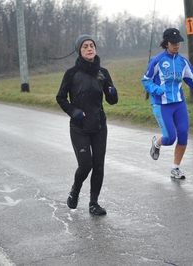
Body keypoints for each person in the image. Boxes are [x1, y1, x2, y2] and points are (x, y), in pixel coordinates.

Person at [56, 34, 118, 215]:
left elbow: (112, 100)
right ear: (79, 51)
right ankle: (75, 191)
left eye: (92, 45)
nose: (90, 48)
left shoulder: (103, 73)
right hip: (79, 127)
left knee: (99, 165)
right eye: (85, 46)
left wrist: (112, 92)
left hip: (99, 125)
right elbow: (60, 98)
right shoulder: (72, 73)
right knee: (86, 165)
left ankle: (93, 203)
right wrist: (75, 112)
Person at [141, 28, 193, 179]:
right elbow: (146, 81)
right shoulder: (157, 61)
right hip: (162, 105)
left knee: (183, 135)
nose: (176, 45)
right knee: (170, 139)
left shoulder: (183, 62)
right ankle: (157, 142)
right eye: (173, 43)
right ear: (166, 43)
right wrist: (155, 88)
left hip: (179, 104)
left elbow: (192, 81)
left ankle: (175, 168)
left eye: (179, 43)